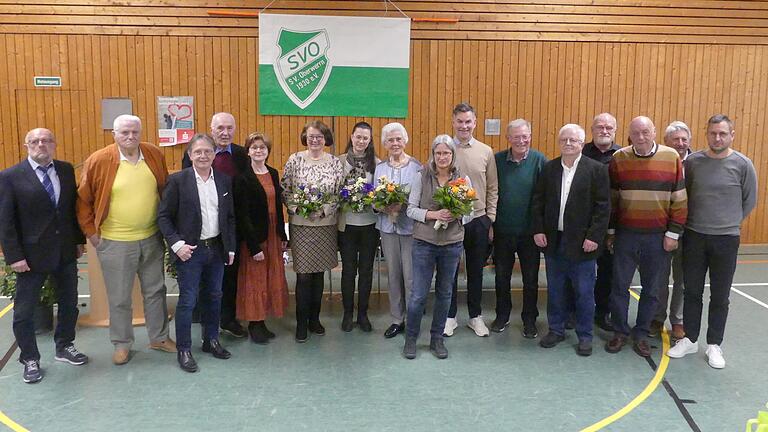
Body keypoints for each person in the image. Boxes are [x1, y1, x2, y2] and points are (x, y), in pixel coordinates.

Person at [77, 114, 175, 365]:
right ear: (114, 134)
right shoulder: (99, 160)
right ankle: (122, 344)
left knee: (155, 291)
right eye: (124, 133)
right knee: (120, 297)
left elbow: (164, 189)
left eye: (134, 132)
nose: (130, 137)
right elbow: (83, 200)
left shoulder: (153, 154)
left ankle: (160, 337)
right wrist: (92, 234)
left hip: (151, 237)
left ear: (141, 133)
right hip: (114, 242)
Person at [667, 114, 757, 369]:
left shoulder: (743, 164)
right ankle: (690, 339)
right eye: (713, 133)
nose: (717, 138)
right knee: (691, 290)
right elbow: (684, 197)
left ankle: (714, 344)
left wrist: (728, 221)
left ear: (732, 135)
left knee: (720, 295)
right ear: (706, 134)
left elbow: (749, 200)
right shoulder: (693, 163)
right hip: (694, 236)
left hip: (726, 239)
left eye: (723, 134)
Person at [0, 128, 88, 383]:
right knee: (24, 311)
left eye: (47, 140)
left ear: (54, 144)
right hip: (29, 256)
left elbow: (71, 209)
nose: (42, 145)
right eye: (36, 141)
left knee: (69, 302)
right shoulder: (10, 177)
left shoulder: (65, 169)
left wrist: (78, 241)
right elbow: (5, 222)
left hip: (65, 250)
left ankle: (64, 346)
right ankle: (30, 358)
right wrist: (14, 257)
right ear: (27, 145)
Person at [605, 116, 687, 358]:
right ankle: (620, 331)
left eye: (645, 132)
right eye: (636, 133)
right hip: (626, 235)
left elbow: (680, 200)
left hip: (658, 237)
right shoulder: (618, 159)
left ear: (654, 132)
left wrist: (673, 233)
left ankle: (641, 334)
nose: (641, 137)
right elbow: (612, 200)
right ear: (629, 135)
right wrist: (610, 232)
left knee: (652, 290)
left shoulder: (671, 157)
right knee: (619, 286)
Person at [157, 134, 236, 372]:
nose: (203, 156)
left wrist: (230, 246)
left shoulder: (223, 180)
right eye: (198, 152)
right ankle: (184, 349)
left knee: (214, 296)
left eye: (208, 151)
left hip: (217, 248)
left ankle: (211, 340)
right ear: (190, 155)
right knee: (188, 300)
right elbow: (163, 217)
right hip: (190, 251)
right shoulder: (178, 181)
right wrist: (176, 244)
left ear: (214, 154)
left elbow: (229, 217)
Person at [531, 124, 610, 356]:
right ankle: (555, 329)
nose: (568, 143)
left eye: (573, 140)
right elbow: (538, 202)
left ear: (581, 143)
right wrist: (538, 230)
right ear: (559, 142)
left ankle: (585, 335)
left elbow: (603, 208)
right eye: (564, 139)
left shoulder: (595, 170)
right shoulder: (549, 168)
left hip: (583, 243)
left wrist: (594, 237)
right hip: (554, 240)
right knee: (555, 290)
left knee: (584, 292)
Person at [183, 112, 250, 338]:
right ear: (211, 130)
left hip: (232, 228)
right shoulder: (196, 154)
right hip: (202, 229)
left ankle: (228, 319)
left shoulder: (242, 155)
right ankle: (205, 320)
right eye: (220, 128)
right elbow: (186, 189)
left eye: (229, 128)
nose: (225, 132)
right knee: (203, 278)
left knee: (230, 277)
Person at [403, 135, 469, 359]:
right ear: (433, 155)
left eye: (446, 153)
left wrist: (456, 213)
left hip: (452, 244)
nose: (442, 157)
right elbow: (411, 210)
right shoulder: (421, 176)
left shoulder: (462, 180)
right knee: (419, 295)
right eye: (438, 153)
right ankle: (411, 339)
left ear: (452, 155)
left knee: (445, 293)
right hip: (424, 243)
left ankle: (437, 339)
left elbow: (470, 213)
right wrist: (434, 214)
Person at [281, 120, 344, 343]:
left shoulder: (335, 163)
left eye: (319, 136)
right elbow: (285, 189)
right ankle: (301, 322)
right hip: (301, 226)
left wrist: (325, 210)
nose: (315, 140)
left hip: (325, 226)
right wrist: (300, 208)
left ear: (325, 139)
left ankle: (314, 320)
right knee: (304, 275)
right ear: (305, 138)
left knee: (319, 275)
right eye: (311, 136)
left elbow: (339, 192)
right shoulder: (295, 160)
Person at [444, 102, 498, 338]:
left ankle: (475, 317)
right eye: (460, 121)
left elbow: (493, 187)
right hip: (452, 221)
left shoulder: (486, 151)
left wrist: (490, 218)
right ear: (453, 122)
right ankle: (450, 317)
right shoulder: (444, 149)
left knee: (476, 271)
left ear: (474, 123)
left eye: (468, 121)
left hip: (478, 220)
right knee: (450, 271)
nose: (464, 126)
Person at [492, 119, 547, 338]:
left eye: (525, 136)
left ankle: (529, 319)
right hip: (503, 231)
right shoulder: (497, 161)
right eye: (516, 137)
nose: (521, 141)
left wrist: (540, 228)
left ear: (530, 137)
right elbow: (491, 193)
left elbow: (544, 197)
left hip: (529, 233)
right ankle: (502, 315)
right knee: (501, 277)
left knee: (531, 279)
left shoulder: (539, 160)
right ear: (508, 138)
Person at [234, 133, 289, 344]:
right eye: (254, 147)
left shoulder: (273, 173)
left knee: (269, 276)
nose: (259, 151)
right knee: (255, 279)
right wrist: (253, 245)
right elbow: (243, 214)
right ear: (248, 151)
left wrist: (282, 234)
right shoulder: (242, 177)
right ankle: (254, 324)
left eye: (263, 148)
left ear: (268, 151)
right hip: (255, 237)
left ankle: (262, 321)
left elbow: (277, 206)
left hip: (273, 233)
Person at [375, 123, 422, 339]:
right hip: (387, 227)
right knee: (393, 275)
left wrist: (403, 206)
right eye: (390, 140)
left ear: (405, 141)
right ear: (385, 144)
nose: (395, 143)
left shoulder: (416, 167)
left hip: (410, 228)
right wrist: (385, 206)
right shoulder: (380, 168)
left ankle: (413, 319)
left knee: (411, 276)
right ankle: (396, 319)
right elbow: (374, 199)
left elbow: (421, 198)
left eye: (398, 139)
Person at [649, 121, 693, 340]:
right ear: (665, 142)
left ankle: (678, 320)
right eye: (676, 139)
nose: (681, 143)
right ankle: (657, 318)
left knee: (682, 279)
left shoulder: (697, 163)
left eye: (684, 139)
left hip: (691, 231)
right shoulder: (659, 161)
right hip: (662, 229)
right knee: (659, 277)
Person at [580, 113, 621, 331]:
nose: (604, 131)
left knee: (607, 273)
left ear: (615, 131)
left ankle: (602, 313)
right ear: (592, 129)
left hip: (613, 227)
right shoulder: (581, 152)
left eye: (609, 128)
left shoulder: (623, 155)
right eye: (600, 127)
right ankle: (575, 312)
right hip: (583, 226)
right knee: (579, 274)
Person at [338, 121, 380, 332]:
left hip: (370, 225)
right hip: (346, 226)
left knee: (366, 270)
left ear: (370, 140)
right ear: (352, 137)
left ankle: (363, 314)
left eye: (366, 138)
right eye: (358, 136)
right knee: (348, 271)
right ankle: (347, 314)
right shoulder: (339, 162)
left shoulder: (378, 164)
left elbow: (381, 194)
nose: (361, 141)